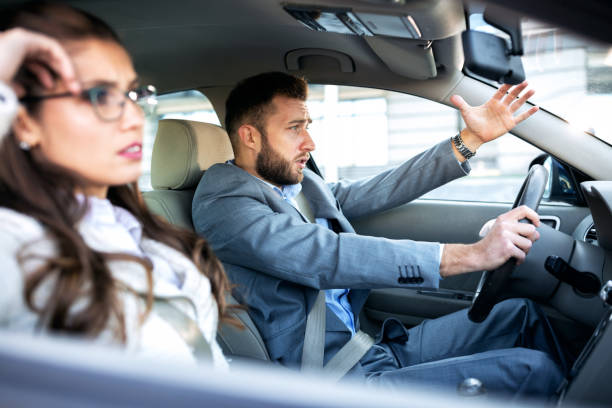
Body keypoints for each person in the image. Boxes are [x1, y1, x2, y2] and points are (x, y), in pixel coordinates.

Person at [192, 72, 566, 398]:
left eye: (308, 126)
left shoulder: (297, 186)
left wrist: (469, 139)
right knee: (534, 371)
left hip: (367, 345)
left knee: (519, 315)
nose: (310, 142)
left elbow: (380, 189)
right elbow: (324, 255)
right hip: (333, 375)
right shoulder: (224, 203)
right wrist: (471, 255)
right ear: (250, 136)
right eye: (295, 128)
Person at [0, 3, 234, 368]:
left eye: (131, 94)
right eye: (100, 95)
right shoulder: (16, 244)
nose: (134, 116)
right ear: (24, 120)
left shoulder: (141, 230)